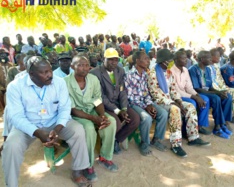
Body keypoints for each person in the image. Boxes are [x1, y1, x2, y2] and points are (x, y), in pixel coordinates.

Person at [2, 56, 93, 187]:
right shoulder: (15, 87)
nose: (49, 75)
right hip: (28, 125)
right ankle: (11, 184)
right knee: (11, 146)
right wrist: (37, 132)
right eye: (43, 72)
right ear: (31, 74)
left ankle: (78, 171)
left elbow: (64, 108)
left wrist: (57, 129)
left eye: (50, 70)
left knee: (78, 130)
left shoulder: (59, 82)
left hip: (54, 121)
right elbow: (16, 116)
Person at [148, 49, 210, 157]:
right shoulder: (153, 73)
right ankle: (176, 144)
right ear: (164, 61)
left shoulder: (168, 72)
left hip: (170, 100)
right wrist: (173, 103)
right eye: (170, 60)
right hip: (158, 102)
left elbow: (173, 90)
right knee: (175, 110)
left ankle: (193, 137)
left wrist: (179, 101)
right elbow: (155, 93)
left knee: (190, 107)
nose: (171, 62)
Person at [64, 56, 118, 181]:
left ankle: (105, 157)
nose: (85, 68)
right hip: (77, 113)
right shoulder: (65, 82)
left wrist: (102, 116)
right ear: (72, 66)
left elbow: (97, 99)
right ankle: (88, 164)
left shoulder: (93, 79)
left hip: (92, 110)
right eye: (80, 65)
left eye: (86, 65)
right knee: (88, 128)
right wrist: (94, 119)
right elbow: (72, 109)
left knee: (111, 122)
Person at [90, 48, 140, 154]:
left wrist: (124, 108)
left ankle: (116, 140)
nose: (114, 62)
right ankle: (108, 144)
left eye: (116, 60)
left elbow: (122, 91)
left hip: (118, 102)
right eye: (111, 59)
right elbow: (100, 96)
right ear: (104, 59)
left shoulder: (120, 70)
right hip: (103, 105)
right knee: (116, 123)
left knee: (135, 119)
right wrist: (117, 111)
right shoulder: (95, 73)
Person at [124, 50, 168, 156]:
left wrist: (149, 104)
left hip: (144, 102)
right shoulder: (129, 75)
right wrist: (145, 106)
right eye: (145, 58)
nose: (148, 60)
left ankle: (156, 139)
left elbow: (146, 93)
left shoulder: (144, 74)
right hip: (133, 104)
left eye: (148, 58)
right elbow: (129, 98)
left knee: (163, 113)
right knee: (146, 118)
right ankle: (144, 143)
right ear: (137, 61)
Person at [189, 50, 233, 139]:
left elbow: (209, 86)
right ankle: (217, 126)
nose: (210, 60)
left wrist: (219, 92)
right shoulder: (193, 69)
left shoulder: (208, 69)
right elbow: (197, 88)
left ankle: (223, 123)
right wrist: (217, 93)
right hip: (198, 92)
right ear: (202, 59)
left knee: (227, 96)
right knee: (216, 98)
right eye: (208, 58)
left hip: (207, 91)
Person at [170, 50, 211, 135]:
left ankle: (199, 126)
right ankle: (186, 130)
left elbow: (189, 87)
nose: (186, 60)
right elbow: (176, 91)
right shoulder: (171, 71)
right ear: (176, 60)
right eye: (183, 58)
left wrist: (197, 95)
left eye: (186, 58)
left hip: (186, 93)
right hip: (177, 96)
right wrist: (193, 97)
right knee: (193, 103)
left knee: (205, 99)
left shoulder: (185, 70)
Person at [209, 48, 234, 125]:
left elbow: (220, 79)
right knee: (230, 94)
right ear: (211, 56)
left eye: (219, 56)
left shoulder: (216, 66)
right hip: (215, 88)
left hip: (221, 86)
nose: (219, 58)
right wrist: (219, 89)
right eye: (217, 56)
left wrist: (223, 87)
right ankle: (227, 119)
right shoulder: (209, 67)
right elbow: (210, 83)